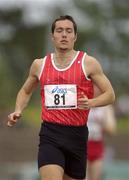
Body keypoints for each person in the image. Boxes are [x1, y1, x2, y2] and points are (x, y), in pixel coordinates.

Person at [7, 15, 115, 180]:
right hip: (50, 133)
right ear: (53, 36)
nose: (64, 34)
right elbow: (25, 91)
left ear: (75, 36)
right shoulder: (39, 65)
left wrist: (90, 102)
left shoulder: (89, 63)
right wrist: (18, 110)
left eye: (68, 31)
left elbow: (110, 95)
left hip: (77, 135)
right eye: (59, 30)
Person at [86, 105, 116, 180]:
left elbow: (112, 130)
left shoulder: (106, 107)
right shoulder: (82, 103)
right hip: (82, 146)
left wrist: (102, 122)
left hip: (97, 147)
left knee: (96, 177)